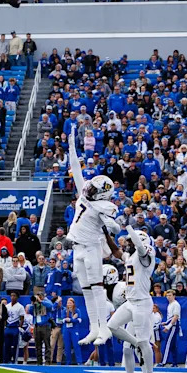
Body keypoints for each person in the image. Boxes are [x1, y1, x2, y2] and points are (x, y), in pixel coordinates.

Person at [66, 125, 119, 346]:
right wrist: (71, 148)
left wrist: (109, 222)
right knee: (86, 290)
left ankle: (104, 329)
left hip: (91, 247)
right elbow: (77, 171)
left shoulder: (104, 206)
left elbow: (115, 229)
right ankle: (93, 327)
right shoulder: (87, 195)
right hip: (77, 247)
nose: (90, 190)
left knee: (97, 288)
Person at [103, 229, 157, 373]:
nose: (128, 243)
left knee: (143, 341)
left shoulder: (146, 255)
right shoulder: (130, 256)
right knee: (112, 326)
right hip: (130, 302)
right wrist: (106, 234)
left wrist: (129, 228)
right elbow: (116, 251)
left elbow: (141, 247)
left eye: (130, 241)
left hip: (142, 303)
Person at [159, 290, 182, 368]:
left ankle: (163, 362)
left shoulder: (176, 304)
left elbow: (175, 317)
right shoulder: (170, 304)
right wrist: (166, 322)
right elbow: (171, 317)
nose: (168, 297)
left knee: (168, 344)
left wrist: (168, 326)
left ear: (174, 296)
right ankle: (175, 363)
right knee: (172, 345)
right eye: (167, 295)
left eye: (170, 295)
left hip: (174, 326)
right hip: (172, 325)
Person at [3, 291, 26, 364]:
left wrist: (20, 326)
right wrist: (5, 325)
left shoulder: (20, 307)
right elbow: (5, 317)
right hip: (8, 327)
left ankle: (14, 360)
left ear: (17, 297)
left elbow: (22, 318)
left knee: (14, 345)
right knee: (7, 345)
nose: (13, 297)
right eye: (11, 296)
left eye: (14, 296)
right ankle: (6, 359)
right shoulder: (7, 306)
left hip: (15, 327)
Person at [60, 297, 83, 365]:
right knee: (67, 346)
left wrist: (70, 320)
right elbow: (63, 320)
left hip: (74, 330)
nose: (69, 304)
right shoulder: (64, 310)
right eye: (68, 303)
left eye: (70, 303)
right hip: (66, 330)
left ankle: (79, 361)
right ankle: (68, 362)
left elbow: (79, 320)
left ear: (73, 303)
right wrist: (73, 318)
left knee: (76, 345)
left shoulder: (77, 310)